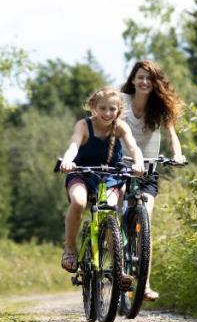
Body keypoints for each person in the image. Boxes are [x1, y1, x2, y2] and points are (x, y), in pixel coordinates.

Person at [58, 87, 145, 274]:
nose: (107, 113)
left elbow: (133, 148)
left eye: (112, 109)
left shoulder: (120, 127)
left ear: (119, 110)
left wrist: (138, 163)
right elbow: (73, 145)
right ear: (93, 108)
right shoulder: (83, 125)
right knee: (79, 202)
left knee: (110, 209)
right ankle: (70, 249)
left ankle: (117, 268)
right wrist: (67, 160)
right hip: (81, 173)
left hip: (110, 176)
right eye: (103, 108)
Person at [119, 60, 186, 300]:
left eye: (149, 78)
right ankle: (113, 240)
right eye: (140, 77)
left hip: (148, 170)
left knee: (145, 220)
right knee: (117, 202)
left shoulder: (159, 108)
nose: (144, 82)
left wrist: (177, 155)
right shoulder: (122, 102)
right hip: (122, 166)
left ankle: (144, 284)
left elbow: (172, 136)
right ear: (133, 80)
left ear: (155, 82)